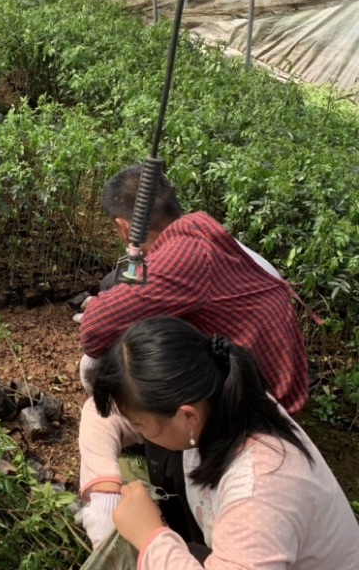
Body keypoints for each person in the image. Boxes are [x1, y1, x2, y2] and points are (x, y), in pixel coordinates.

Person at [76, 163, 311, 549]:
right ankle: (105, 508)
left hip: (252, 410)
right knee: (103, 408)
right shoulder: (203, 231)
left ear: (123, 228)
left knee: (104, 382)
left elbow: (94, 330)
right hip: (259, 387)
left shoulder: (186, 257)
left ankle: (171, 524)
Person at [91, 316, 359, 568]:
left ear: (188, 416)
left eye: (138, 424)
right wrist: (105, 489)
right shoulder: (220, 399)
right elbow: (99, 415)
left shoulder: (262, 489)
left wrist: (151, 537)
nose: (132, 428)